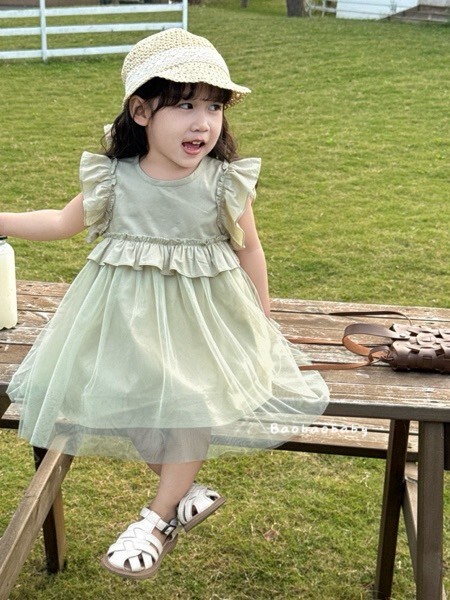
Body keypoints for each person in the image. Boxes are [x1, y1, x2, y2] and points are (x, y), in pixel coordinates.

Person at [0, 28, 329, 580]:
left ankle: (155, 520)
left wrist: (263, 321)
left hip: (202, 325)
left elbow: (250, 249)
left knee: (189, 400)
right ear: (141, 111)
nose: (203, 122)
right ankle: (186, 489)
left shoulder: (222, 184)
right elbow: (60, 222)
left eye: (214, 106)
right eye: (184, 104)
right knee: (122, 397)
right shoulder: (115, 180)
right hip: (128, 326)